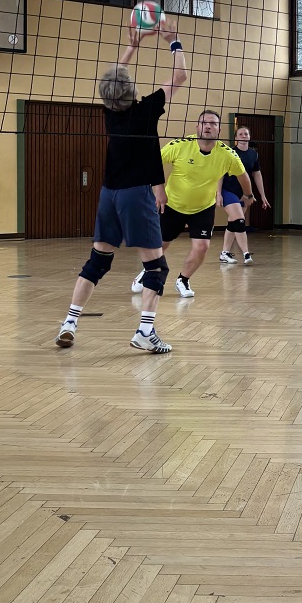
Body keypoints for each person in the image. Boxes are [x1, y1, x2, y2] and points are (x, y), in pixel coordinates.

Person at [54, 18, 186, 353]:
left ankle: (69, 322)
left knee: (97, 262)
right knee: (156, 267)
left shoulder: (110, 113)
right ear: (131, 90)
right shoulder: (146, 110)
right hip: (135, 195)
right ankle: (145, 332)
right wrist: (173, 41)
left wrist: (132, 47)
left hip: (108, 195)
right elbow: (180, 76)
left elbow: (112, 80)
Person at [131, 111, 247, 298]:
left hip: (203, 208)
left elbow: (244, 176)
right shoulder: (180, 145)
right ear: (197, 126)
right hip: (172, 205)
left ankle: (183, 280)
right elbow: (152, 164)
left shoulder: (227, 154)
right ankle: (148, 271)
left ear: (219, 129)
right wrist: (159, 190)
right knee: (160, 245)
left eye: (213, 123)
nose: (208, 126)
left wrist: (248, 194)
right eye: (204, 122)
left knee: (202, 247)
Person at [219, 125, 269, 265]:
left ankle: (224, 253)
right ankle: (246, 254)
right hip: (228, 191)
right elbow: (220, 174)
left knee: (233, 222)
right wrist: (218, 194)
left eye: (246, 134)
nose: (243, 136)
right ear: (236, 137)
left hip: (244, 194)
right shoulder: (230, 153)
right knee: (240, 221)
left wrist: (262, 195)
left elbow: (257, 175)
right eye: (240, 134)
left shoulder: (253, 154)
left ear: (249, 136)